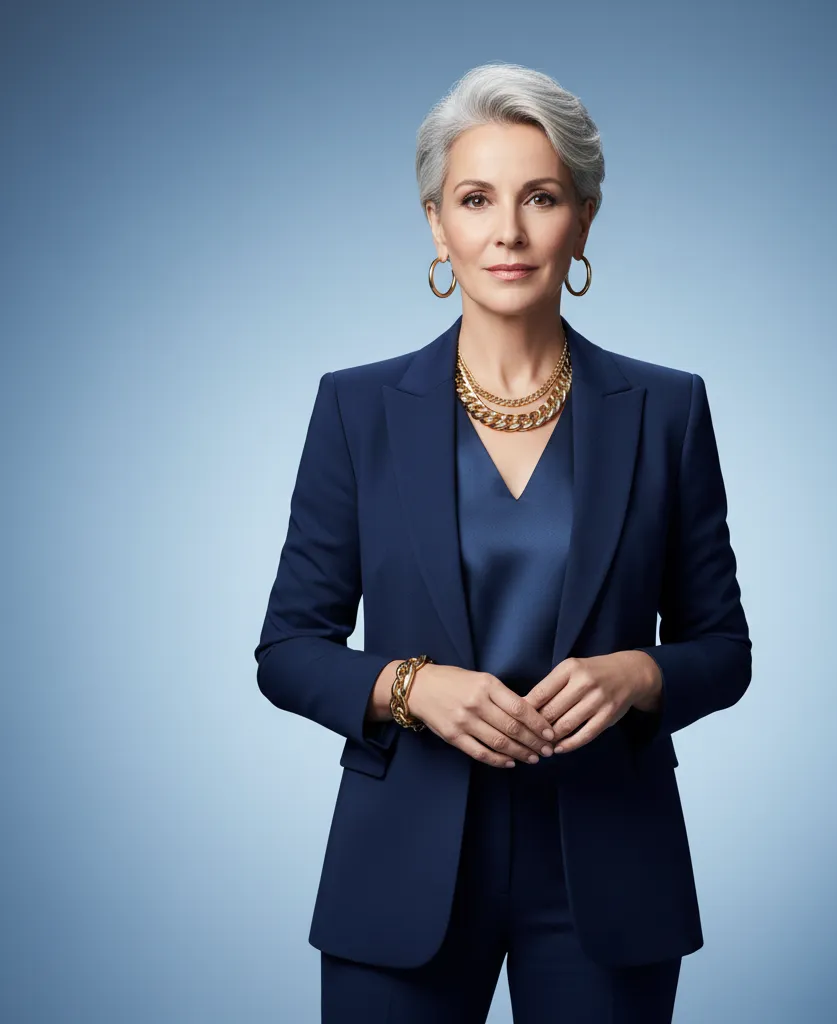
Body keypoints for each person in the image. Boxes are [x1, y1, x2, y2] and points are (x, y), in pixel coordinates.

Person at [254, 61, 752, 1024]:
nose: (509, 232)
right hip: (402, 865)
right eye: (476, 199)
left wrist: (639, 677)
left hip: (608, 864)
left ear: (585, 219)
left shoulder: (667, 410)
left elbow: (724, 652)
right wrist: (407, 686)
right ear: (437, 224)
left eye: (541, 197)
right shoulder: (356, 410)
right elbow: (287, 652)